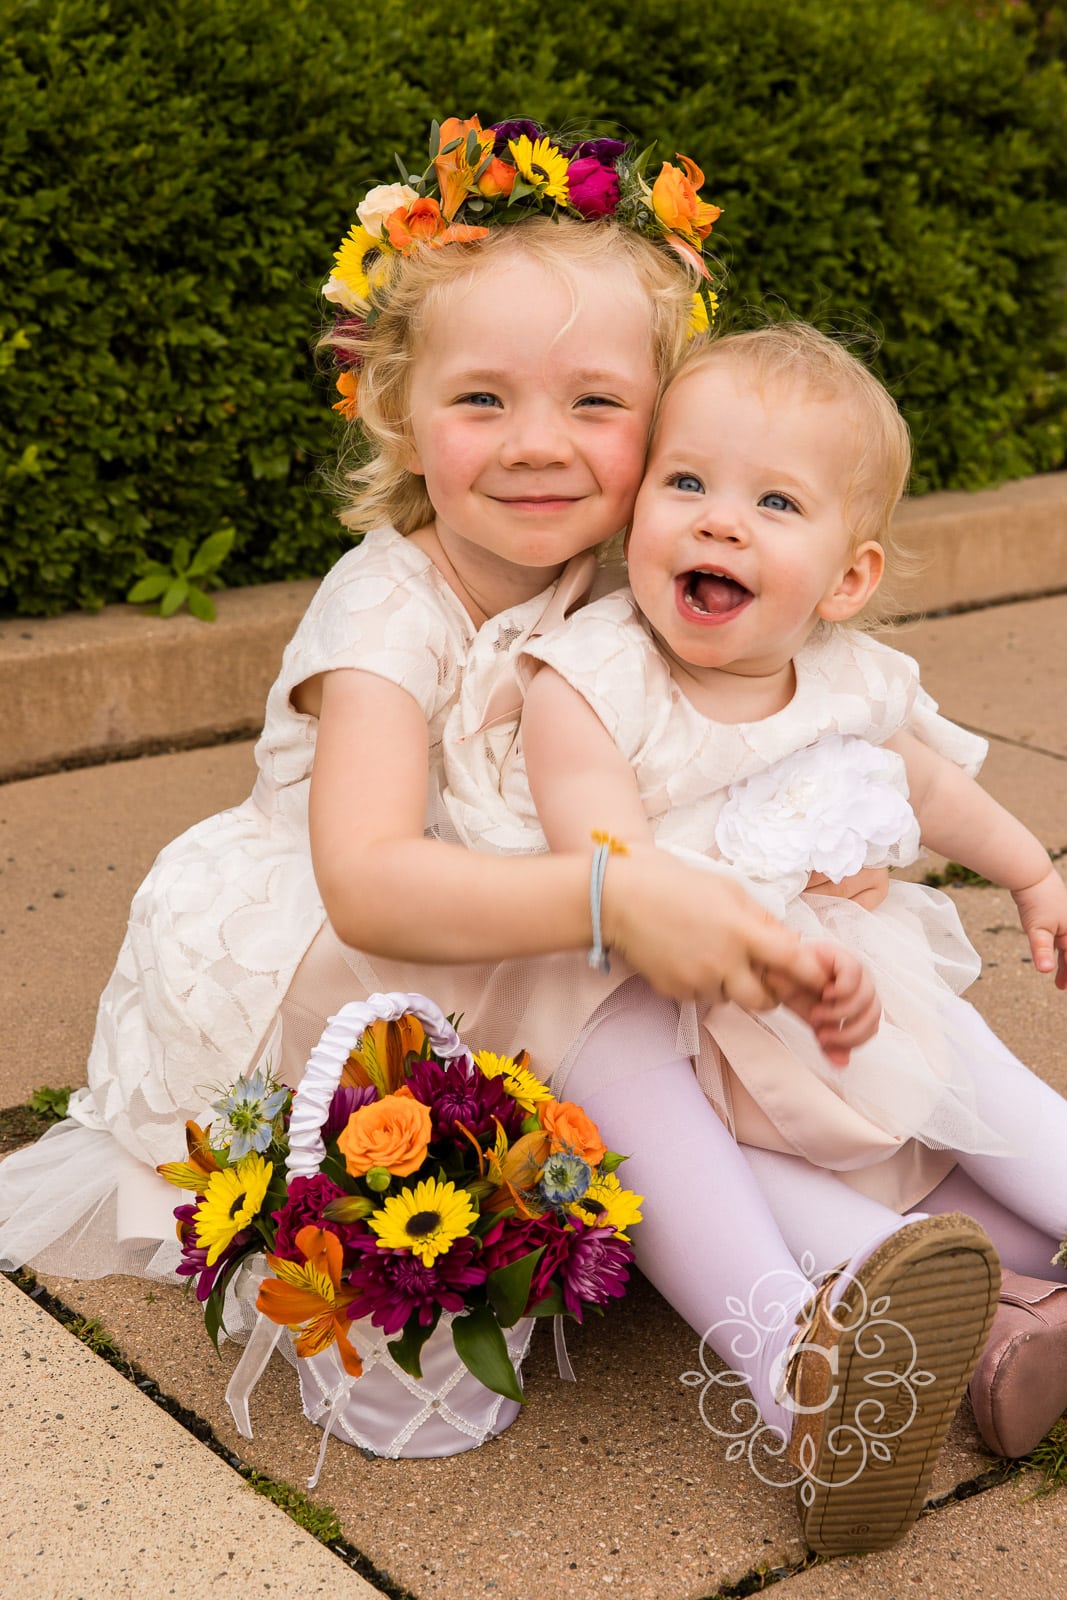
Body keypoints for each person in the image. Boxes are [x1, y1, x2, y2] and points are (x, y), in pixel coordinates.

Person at [0, 125, 869, 1296]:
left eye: (596, 402)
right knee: (606, 994)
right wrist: (610, 893)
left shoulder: (631, 568)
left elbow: (726, 720)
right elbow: (368, 877)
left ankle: (943, 1286)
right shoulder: (382, 615)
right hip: (344, 950)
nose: (536, 445)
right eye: (480, 399)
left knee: (716, 1004)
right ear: (399, 415)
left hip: (524, 896)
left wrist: (809, 840)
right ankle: (826, 1292)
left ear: (663, 423)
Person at [443, 322, 1067, 1550]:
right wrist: (748, 930)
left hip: (851, 1006)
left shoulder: (845, 676)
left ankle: (1015, 1286)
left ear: (843, 579)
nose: (717, 521)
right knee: (732, 1177)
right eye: (685, 483)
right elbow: (601, 856)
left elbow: (933, 788)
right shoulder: (590, 677)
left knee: (972, 1085)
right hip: (686, 1012)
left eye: (772, 502)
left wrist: (1030, 873)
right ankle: (828, 1375)